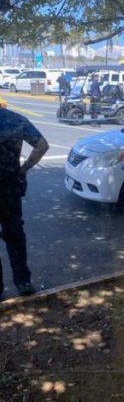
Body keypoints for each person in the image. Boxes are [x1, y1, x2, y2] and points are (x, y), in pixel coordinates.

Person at [0, 102, 48, 300]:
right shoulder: (16, 119)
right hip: (10, 187)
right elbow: (42, 145)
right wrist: (24, 168)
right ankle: (23, 282)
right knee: (15, 235)